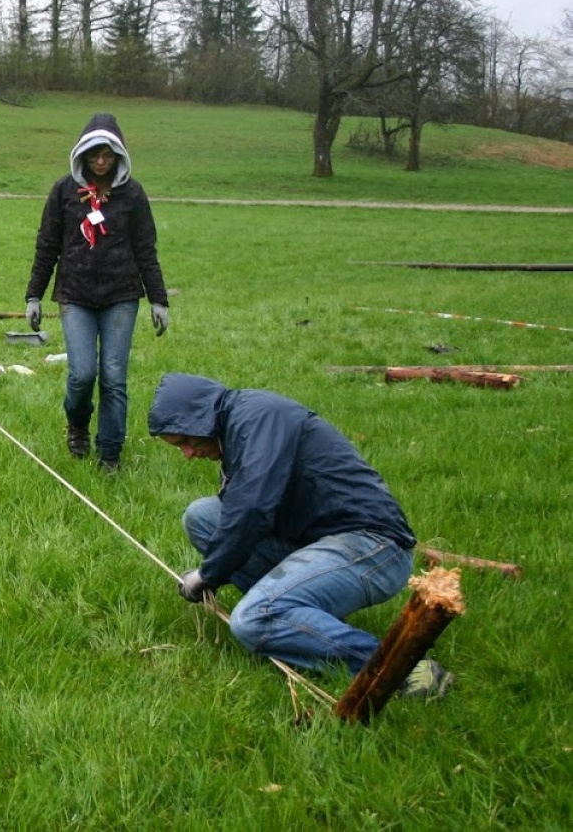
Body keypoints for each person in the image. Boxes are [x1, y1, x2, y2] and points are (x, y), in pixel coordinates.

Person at [148, 373, 454, 698]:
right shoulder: (237, 426)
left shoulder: (259, 418)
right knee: (202, 517)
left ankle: (406, 669)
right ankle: (296, 620)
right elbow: (239, 509)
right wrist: (211, 570)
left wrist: (208, 575)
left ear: (200, 419)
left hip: (372, 546)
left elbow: (251, 511)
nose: (188, 454)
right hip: (321, 540)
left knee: (250, 620)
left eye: (185, 441)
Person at [24, 113, 169, 472]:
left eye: (108, 155)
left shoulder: (132, 194)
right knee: (82, 373)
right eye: (94, 155)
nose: (101, 162)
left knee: (114, 376)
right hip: (75, 294)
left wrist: (159, 299)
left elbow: (146, 248)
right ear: (82, 155)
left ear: (118, 155)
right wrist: (34, 296)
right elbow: (47, 246)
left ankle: (110, 453)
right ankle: (77, 424)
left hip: (121, 294)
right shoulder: (63, 192)